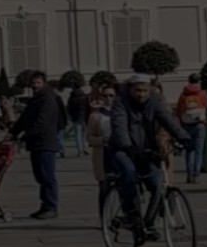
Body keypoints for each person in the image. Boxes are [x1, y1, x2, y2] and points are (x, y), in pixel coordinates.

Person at [108, 74, 194, 228]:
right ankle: (131, 213)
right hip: (122, 149)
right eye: (137, 90)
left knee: (157, 183)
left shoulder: (154, 102)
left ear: (149, 91)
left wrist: (183, 137)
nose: (141, 94)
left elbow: (167, 119)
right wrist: (127, 146)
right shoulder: (121, 102)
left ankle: (148, 222)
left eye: (144, 90)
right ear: (131, 90)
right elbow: (119, 125)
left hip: (144, 150)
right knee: (129, 172)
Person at [7, 71, 65, 219]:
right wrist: (13, 132)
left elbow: (41, 123)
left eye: (38, 83)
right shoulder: (36, 99)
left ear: (44, 83)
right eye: (33, 83)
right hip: (36, 143)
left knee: (47, 176)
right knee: (40, 176)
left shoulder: (48, 99)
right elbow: (24, 118)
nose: (35, 85)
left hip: (45, 142)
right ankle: (45, 206)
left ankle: (51, 207)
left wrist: (23, 138)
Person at [175, 74, 207, 184]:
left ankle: (189, 176)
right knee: (199, 151)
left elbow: (178, 110)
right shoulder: (202, 93)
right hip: (199, 124)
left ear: (189, 81)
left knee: (189, 151)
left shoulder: (183, 94)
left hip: (186, 125)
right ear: (198, 81)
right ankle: (196, 176)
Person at [87, 85, 116, 216]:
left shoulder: (121, 112)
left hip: (119, 153)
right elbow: (89, 137)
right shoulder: (95, 116)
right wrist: (101, 140)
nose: (108, 98)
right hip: (103, 154)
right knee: (104, 187)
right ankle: (104, 216)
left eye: (111, 95)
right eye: (105, 96)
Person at [67, 84, 90, 158]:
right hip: (84, 117)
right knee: (84, 134)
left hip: (76, 118)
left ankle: (80, 151)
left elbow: (69, 108)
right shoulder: (84, 96)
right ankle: (84, 148)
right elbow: (87, 107)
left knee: (78, 135)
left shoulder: (72, 97)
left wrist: (71, 115)